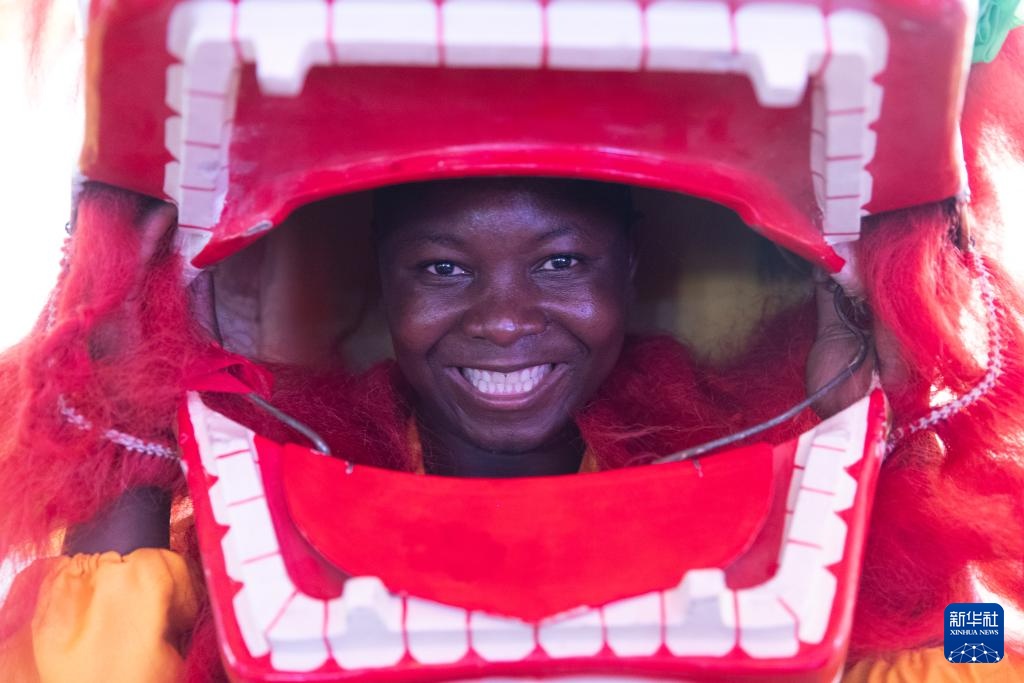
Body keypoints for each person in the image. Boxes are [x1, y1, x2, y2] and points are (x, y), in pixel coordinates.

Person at [1, 2, 1023, 682]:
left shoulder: (767, 514)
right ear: (382, 284)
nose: (502, 317)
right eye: (443, 269)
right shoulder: (246, 537)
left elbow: (977, 657)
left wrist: (906, 432)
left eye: (560, 262)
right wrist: (128, 389)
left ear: (630, 272)